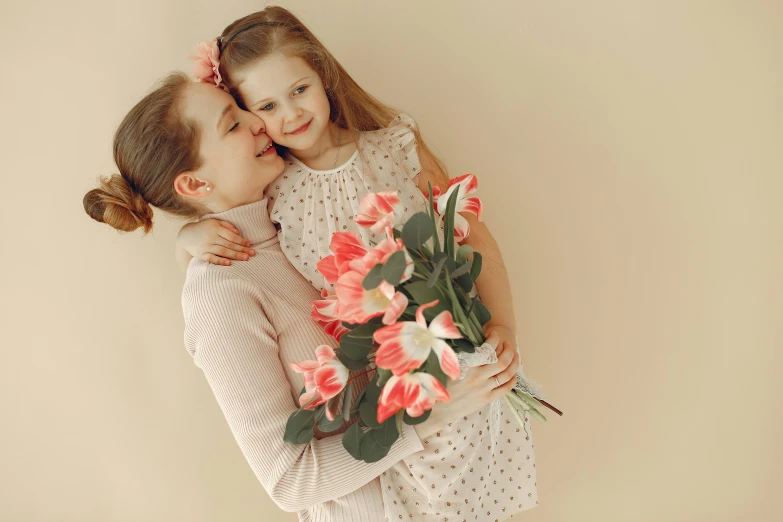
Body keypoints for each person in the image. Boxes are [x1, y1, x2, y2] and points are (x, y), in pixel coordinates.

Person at [83, 73, 521, 521]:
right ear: (194, 186)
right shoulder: (220, 295)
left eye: (242, 108)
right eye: (232, 124)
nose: (257, 121)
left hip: (454, 494)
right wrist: (435, 414)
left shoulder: (296, 210)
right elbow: (290, 480)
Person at [177, 6, 538, 519]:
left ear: (322, 75)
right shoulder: (275, 187)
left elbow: (468, 230)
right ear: (252, 118)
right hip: (395, 386)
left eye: (299, 90)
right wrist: (188, 237)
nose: (291, 114)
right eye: (268, 106)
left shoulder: (395, 143)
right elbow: (225, 261)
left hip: (458, 343)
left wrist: (504, 323)